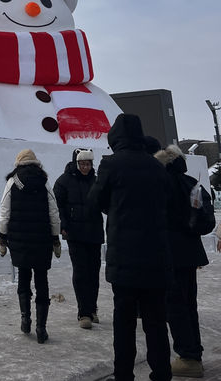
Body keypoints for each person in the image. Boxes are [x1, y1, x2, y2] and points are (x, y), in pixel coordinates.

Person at [89, 113, 172, 381]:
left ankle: (124, 375)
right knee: (157, 323)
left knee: (123, 323)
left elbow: (96, 200)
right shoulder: (156, 167)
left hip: (124, 257)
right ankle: (162, 374)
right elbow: (166, 204)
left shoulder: (111, 165)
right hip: (157, 257)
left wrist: (115, 209)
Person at [155, 145, 213, 378]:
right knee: (189, 304)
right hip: (190, 252)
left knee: (175, 306)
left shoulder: (163, 185)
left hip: (171, 253)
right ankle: (194, 352)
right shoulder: (190, 182)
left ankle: (188, 356)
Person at [0, 148, 61, 344]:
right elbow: (53, 211)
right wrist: (55, 237)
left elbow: (4, 211)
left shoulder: (13, 181)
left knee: (24, 278)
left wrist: (2, 236)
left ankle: (25, 319)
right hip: (42, 238)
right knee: (42, 280)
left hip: (19, 239)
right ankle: (41, 328)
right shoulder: (44, 181)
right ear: (35, 162)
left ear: (19, 162)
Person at [53, 147, 104, 329]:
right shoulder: (64, 181)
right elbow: (57, 206)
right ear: (76, 163)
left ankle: (92, 309)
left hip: (94, 232)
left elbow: (104, 205)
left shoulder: (97, 181)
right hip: (74, 233)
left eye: (88, 164)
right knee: (81, 272)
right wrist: (63, 225)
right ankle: (84, 313)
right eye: (82, 164)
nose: (85, 167)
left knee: (93, 273)